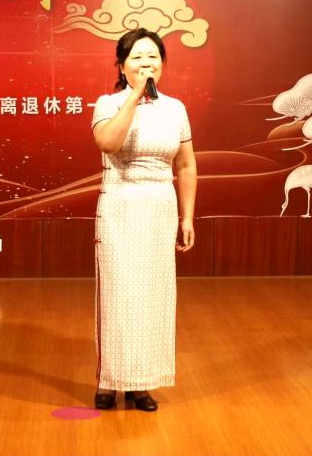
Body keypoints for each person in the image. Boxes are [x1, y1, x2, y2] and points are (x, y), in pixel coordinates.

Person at [89, 28, 197, 412]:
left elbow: (185, 165)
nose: (146, 63)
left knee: (153, 297)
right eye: (137, 57)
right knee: (119, 297)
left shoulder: (175, 109)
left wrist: (187, 217)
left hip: (159, 209)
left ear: (163, 65)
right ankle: (109, 381)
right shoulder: (108, 103)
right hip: (120, 207)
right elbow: (108, 143)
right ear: (121, 66)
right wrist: (135, 96)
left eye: (153, 57)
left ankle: (142, 384)